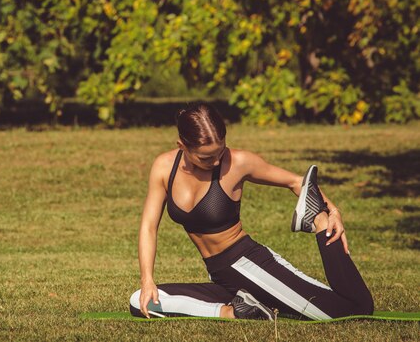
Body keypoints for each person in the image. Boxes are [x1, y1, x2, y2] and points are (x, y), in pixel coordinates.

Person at [129, 103, 373, 320]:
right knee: (141, 299)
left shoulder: (238, 162)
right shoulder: (163, 167)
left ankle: (316, 222)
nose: (215, 162)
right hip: (222, 276)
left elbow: (298, 182)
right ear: (182, 146)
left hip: (249, 264)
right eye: (205, 157)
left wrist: (332, 212)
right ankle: (235, 310)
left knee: (352, 310)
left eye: (219, 152)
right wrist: (147, 279)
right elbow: (149, 227)